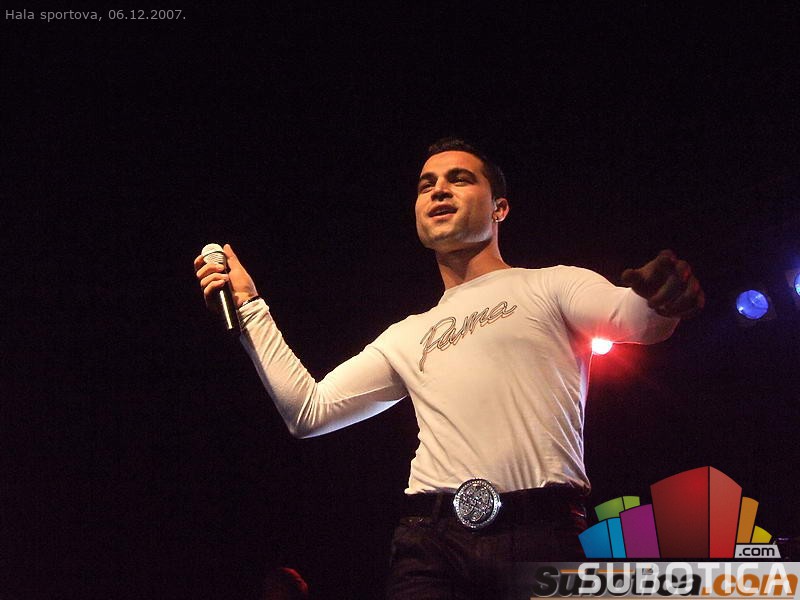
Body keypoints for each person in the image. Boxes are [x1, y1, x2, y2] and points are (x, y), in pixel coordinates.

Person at [194, 138, 704, 599]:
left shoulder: (552, 285)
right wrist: (250, 308)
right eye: (426, 184)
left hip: (540, 535)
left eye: (459, 179)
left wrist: (662, 298)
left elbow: (635, 318)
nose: (438, 190)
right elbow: (308, 412)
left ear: (499, 207)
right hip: (429, 545)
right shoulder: (406, 334)